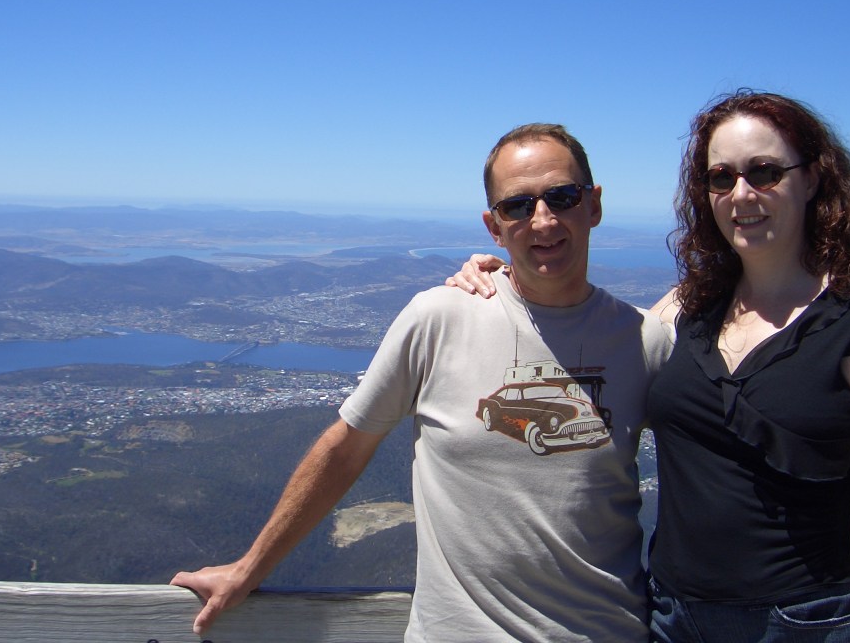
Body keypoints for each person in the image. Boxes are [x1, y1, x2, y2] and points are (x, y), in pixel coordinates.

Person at [171, 123, 673, 642]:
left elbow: (709, 471)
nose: (542, 220)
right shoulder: (439, 319)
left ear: (593, 205)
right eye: (518, 206)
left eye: (562, 197)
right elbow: (346, 448)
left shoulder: (647, 342)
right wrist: (249, 567)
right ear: (494, 226)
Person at [448, 92, 850, 643]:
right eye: (721, 178)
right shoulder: (687, 310)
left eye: (764, 172)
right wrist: (505, 274)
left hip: (807, 621)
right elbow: (590, 340)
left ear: (812, 179)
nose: (742, 194)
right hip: (673, 618)